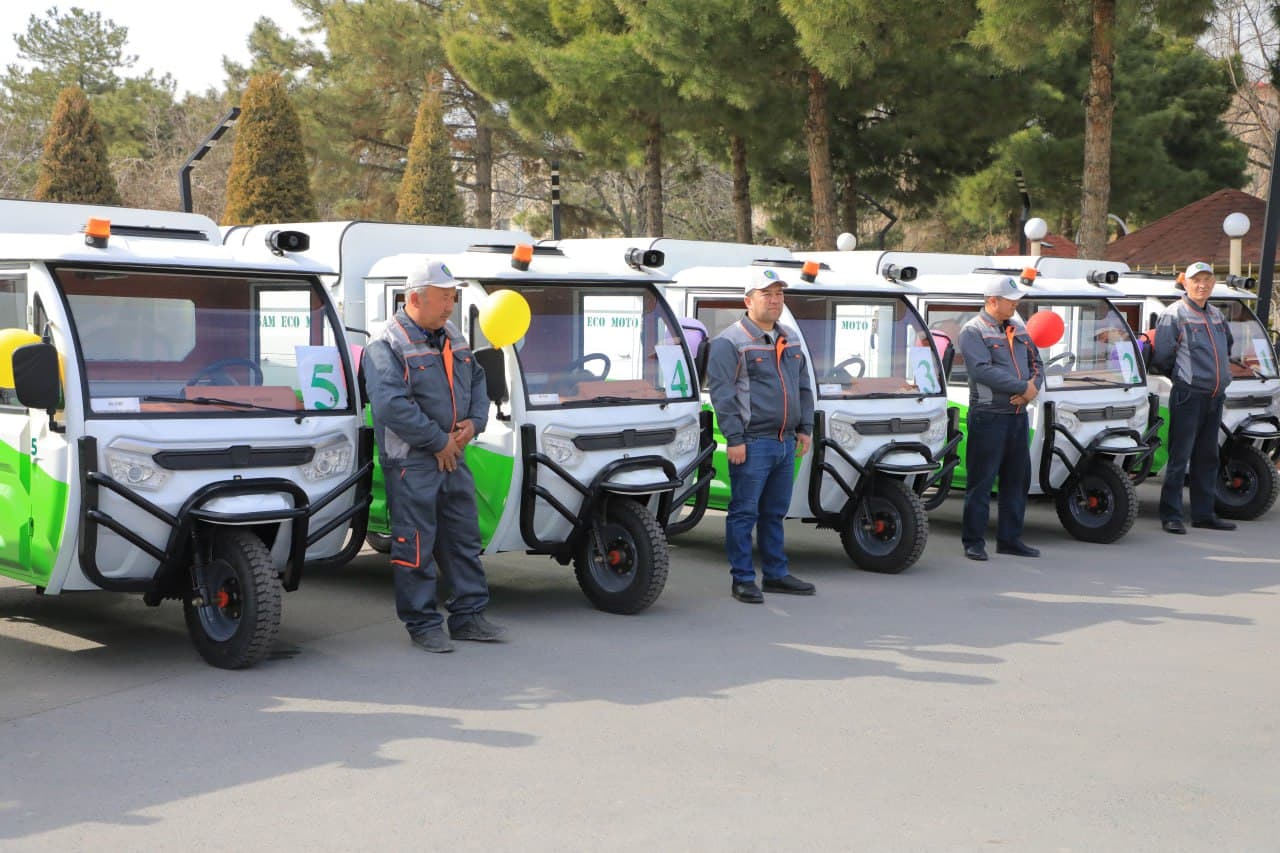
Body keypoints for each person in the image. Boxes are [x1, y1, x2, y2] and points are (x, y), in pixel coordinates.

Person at [363, 258, 506, 652]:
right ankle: (423, 624)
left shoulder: (452, 334)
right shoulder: (385, 344)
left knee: (463, 537)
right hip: (412, 463)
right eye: (444, 298)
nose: (451, 306)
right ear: (415, 298)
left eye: (453, 298)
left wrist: (475, 423)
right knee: (416, 545)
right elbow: (392, 406)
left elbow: (478, 378)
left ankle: (469, 617)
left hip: (453, 455)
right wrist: (438, 442)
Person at [706, 267, 816, 604]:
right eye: (766, 294)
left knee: (774, 513)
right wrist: (734, 439)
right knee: (744, 513)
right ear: (748, 300)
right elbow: (722, 395)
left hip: (785, 442)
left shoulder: (790, 338)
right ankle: (742, 579)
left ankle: (776, 574)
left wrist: (805, 428)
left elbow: (803, 387)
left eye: (779, 294)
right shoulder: (730, 342)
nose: (774, 300)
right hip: (752, 443)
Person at [958, 276, 1044, 561]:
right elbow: (982, 371)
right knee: (981, 482)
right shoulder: (973, 331)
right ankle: (974, 541)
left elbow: (1037, 363)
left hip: (1017, 415)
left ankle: (1010, 539)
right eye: (1010, 300)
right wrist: (1023, 388)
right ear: (992, 301)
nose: (1015, 304)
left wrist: (1032, 390)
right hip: (989, 416)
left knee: (1016, 481)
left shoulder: (1018, 328)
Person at [1151, 261, 1235, 534]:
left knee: (1208, 458)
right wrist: (1184, 379)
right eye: (1196, 280)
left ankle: (1203, 514)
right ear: (1185, 283)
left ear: (1213, 283)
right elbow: (1163, 357)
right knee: (1180, 457)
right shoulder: (1174, 314)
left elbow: (1228, 347)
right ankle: (1171, 515)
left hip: (1215, 396)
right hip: (1189, 395)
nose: (1202, 285)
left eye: (1207, 280)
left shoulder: (1217, 315)